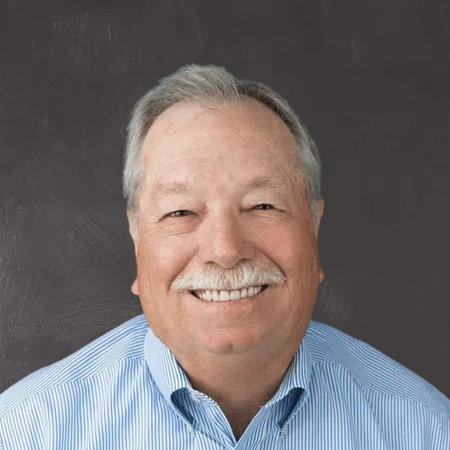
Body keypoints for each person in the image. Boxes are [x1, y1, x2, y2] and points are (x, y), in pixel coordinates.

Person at [0, 64, 449, 450]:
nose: (226, 250)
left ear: (313, 225)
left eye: (262, 206)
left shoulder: (424, 430)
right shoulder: (29, 432)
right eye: (181, 212)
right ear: (137, 238)